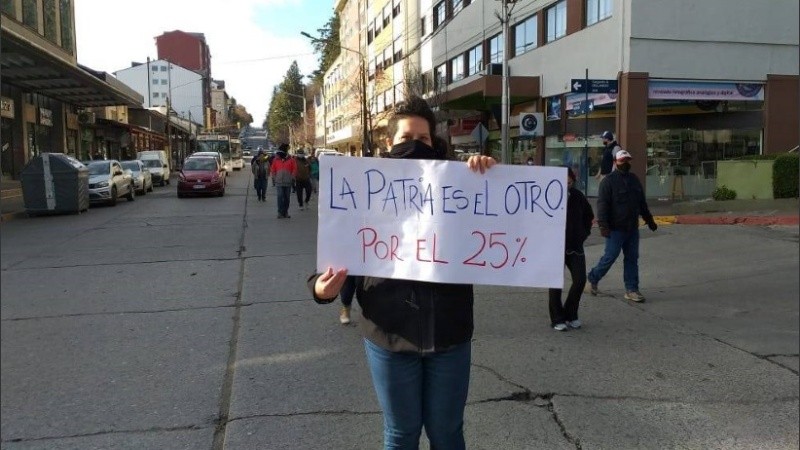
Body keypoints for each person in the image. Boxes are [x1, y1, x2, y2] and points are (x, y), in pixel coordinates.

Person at [309, 96, 496, 450]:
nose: (415, 146)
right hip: (389, 337)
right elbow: (326, 266)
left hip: (450, 337)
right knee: (400, 435)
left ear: (434, 142)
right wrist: (322, 289)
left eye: (423, 140)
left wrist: (489, 178)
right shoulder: (363, 188)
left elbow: (497, 225)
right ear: (388, 143)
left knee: (447, 435)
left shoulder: (461, 184)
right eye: (406, 138)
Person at [587, 150, 658, 302]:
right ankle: (593, 278)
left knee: (632, 258)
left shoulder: (634, 180)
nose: (625, 163)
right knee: (610, 256)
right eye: (622, 161)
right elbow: (602, 205)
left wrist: (649, 219)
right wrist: (603, 226)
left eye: (627, 160)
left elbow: (641, 203)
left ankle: (632, 289)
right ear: (615, 162)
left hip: (632, 228)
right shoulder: (608, 182)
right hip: (615, 229)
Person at [549, 168, 594, 331]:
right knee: (554, 283)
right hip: (555, 246)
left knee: (580, 280)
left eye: (569, 183)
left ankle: (571, 313)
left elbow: (589, 215)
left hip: (575, 245)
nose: (566, 186)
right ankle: (557, 318)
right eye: (563, 183)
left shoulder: (577, 196)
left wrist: (583, 233)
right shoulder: (549, 195)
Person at [270, 144, 297, 219]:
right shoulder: (276, 159)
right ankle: (280, 212)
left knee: (287, 198)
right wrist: (274, 178)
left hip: (288, 182)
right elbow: (273, 169)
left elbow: (294, 169)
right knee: (280, 196)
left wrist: (292, 177)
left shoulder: (291, 160)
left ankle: (285, 212)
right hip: (279, 182)